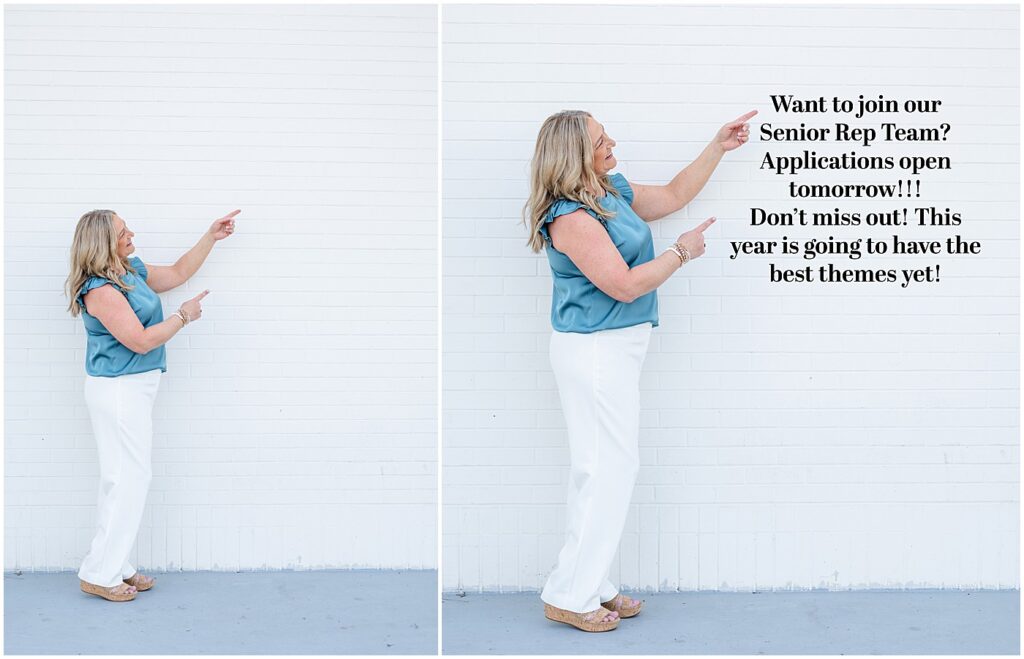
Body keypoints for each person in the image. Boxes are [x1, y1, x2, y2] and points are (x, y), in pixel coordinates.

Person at [524, 109, 755, 632]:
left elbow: (674, 194)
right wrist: (681, 251)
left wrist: (717, 145)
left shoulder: (610, 193)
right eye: (601, 140)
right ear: (575, 155)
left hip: (612, 350)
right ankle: (571, 594)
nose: (612, 144)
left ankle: (590, 583)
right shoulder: (571, 219)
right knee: (610, 468)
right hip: (594, 353)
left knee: (597, 468)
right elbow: (626, 285)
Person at [65, 208, 239, 601]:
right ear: (103, 243)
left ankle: (114, 564)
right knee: (131, 478)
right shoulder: (101, 291)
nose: (132, 235)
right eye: (123, 232)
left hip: (131, 389)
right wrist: (183, 315)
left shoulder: (129, 272)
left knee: (119, 479)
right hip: (118, 391)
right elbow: (142, 341)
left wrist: (210, 236)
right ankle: (102, 573)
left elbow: (178, 272)